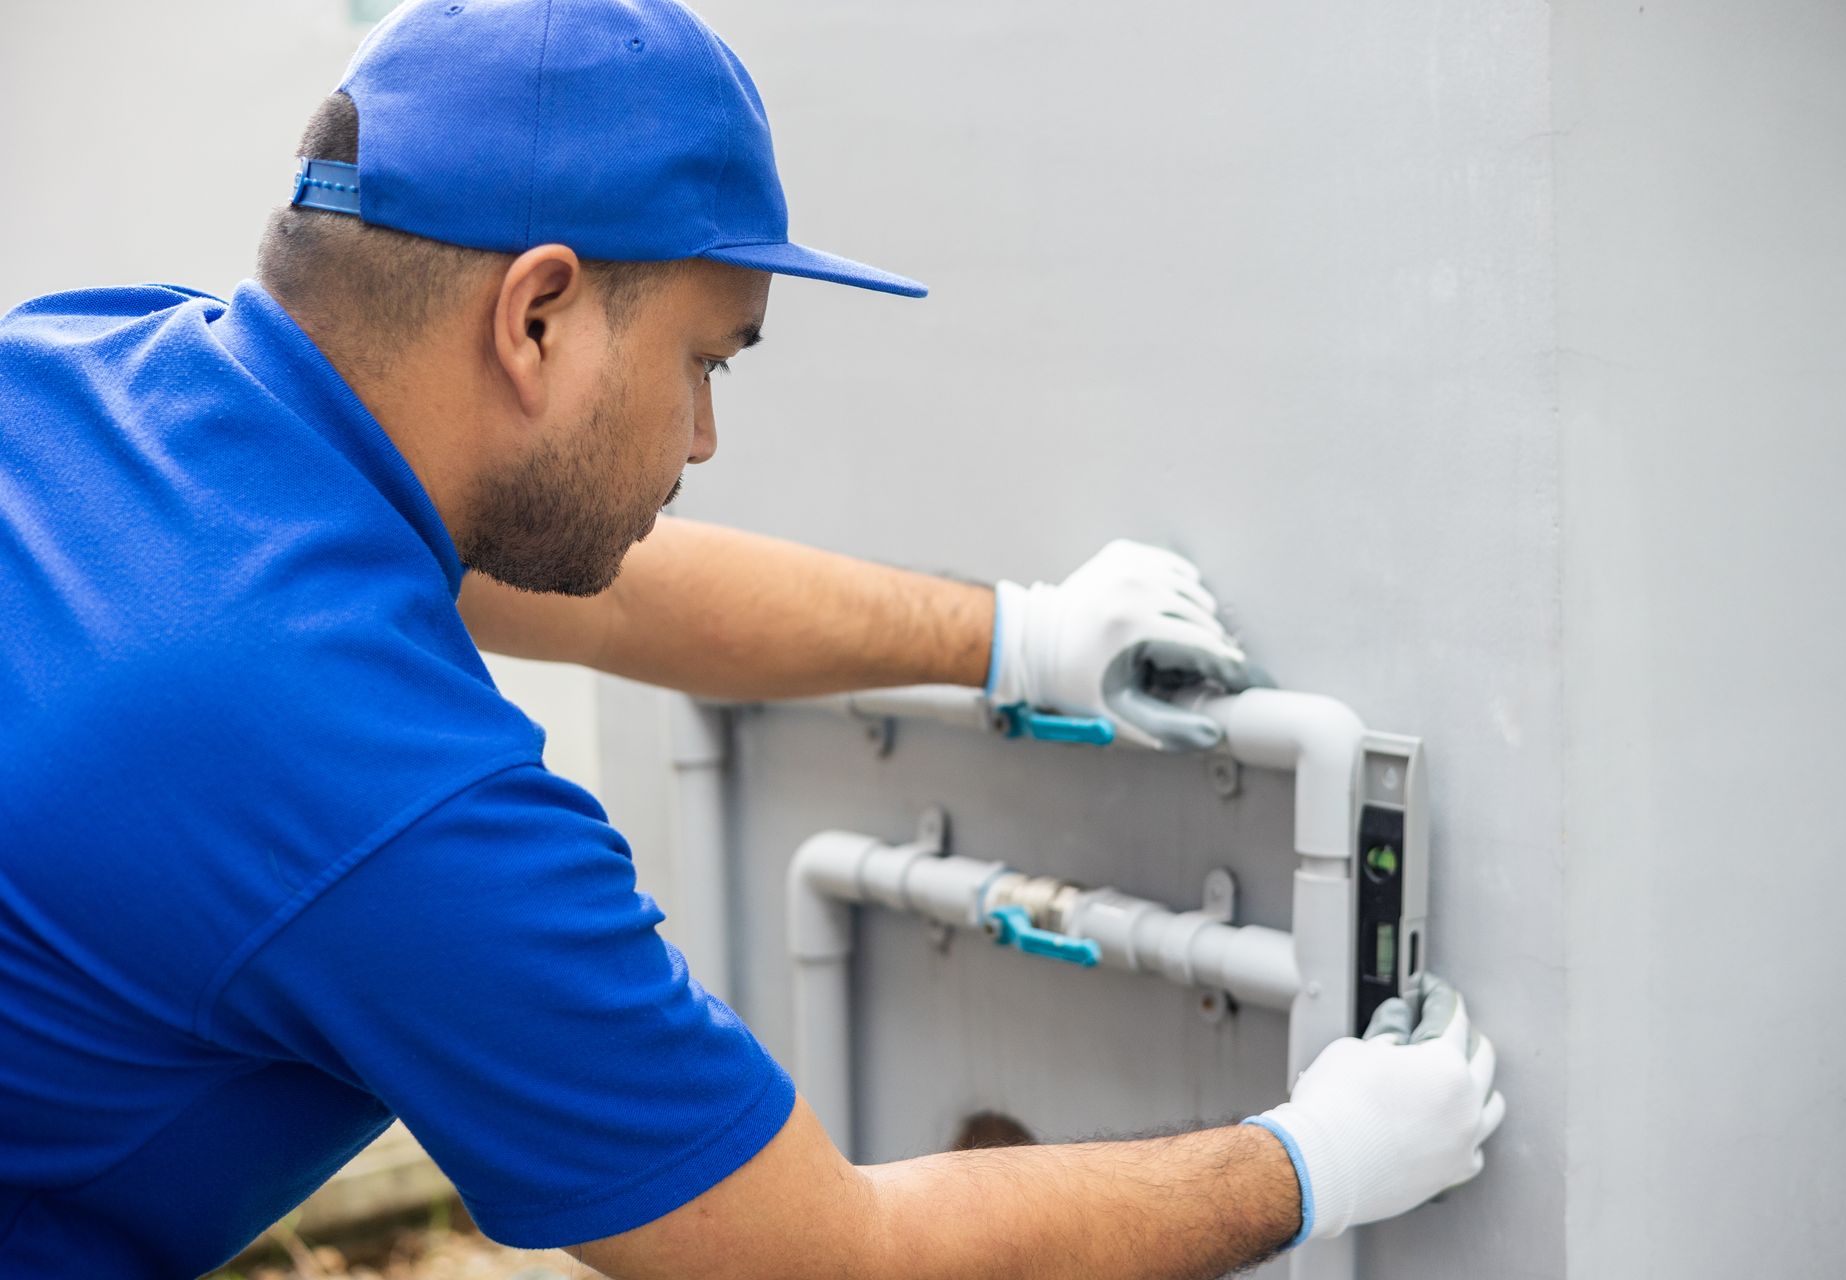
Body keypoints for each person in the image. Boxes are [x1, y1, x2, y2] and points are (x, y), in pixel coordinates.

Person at [0, 1, 1504, 1276]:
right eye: (706, 359)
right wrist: (1313, 1163)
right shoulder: (385, 802)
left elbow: (607, 587)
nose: (707, 436)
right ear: (538, 316)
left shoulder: (92, 367)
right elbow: (823, 1253)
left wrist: (1020, 639)